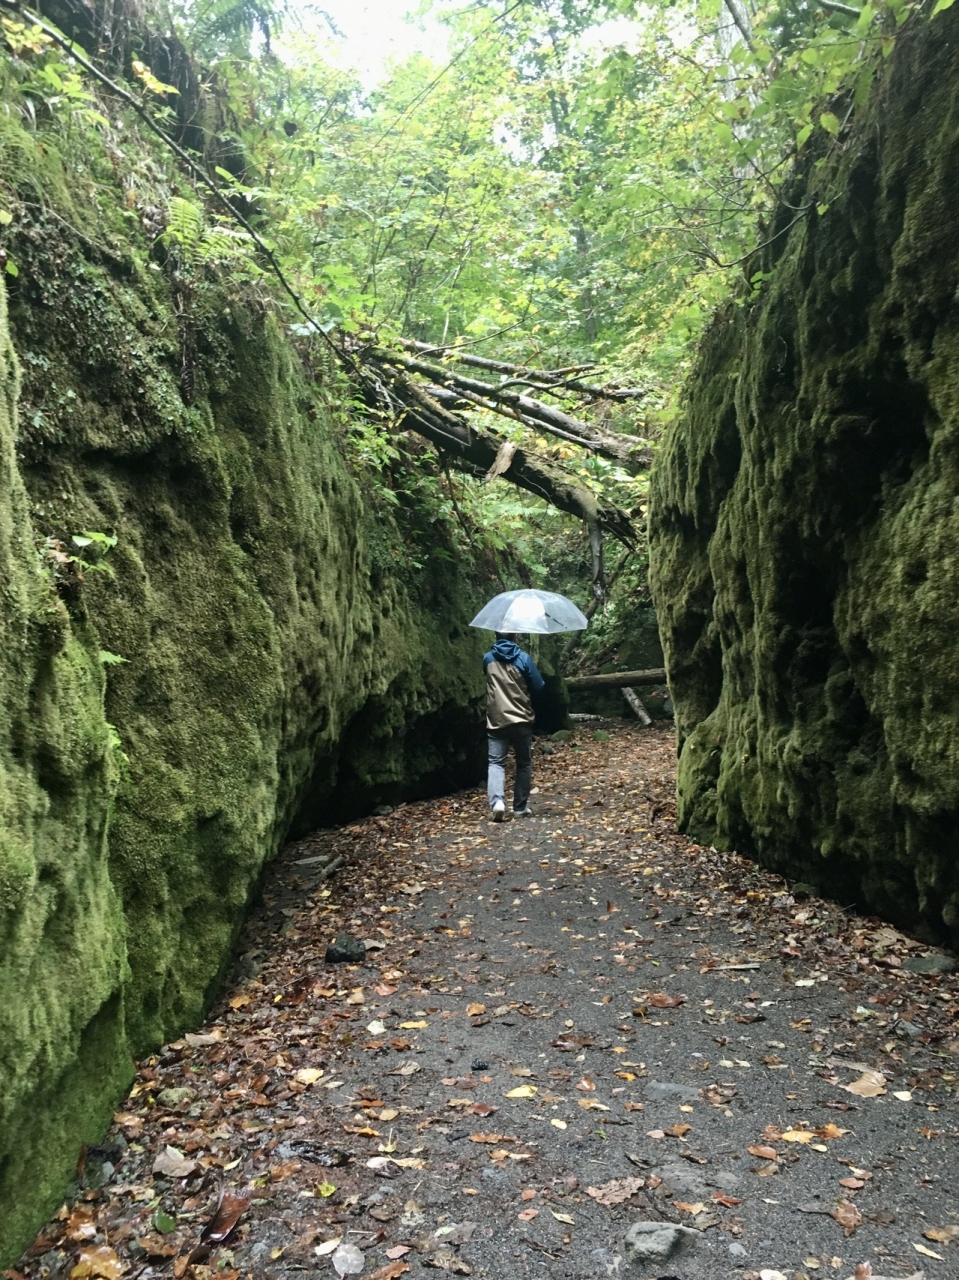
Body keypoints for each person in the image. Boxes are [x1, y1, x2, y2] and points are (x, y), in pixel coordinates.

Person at [483, 631, 545, 822]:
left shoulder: (487, 658)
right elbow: (539, 685)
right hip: (521, 718)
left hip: (496, 719)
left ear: (495, 635)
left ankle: (498, 803)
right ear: (515, 636)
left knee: (496, 762)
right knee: (524, 763)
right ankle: (520, 807)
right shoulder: (524, 658)